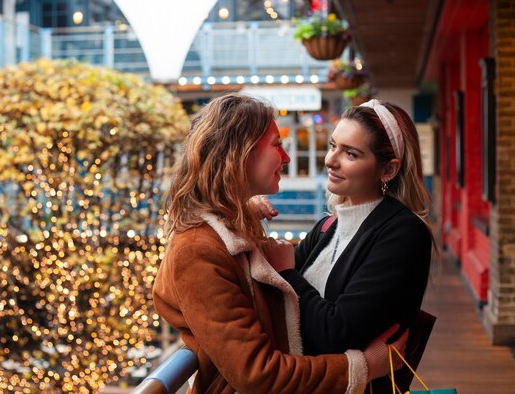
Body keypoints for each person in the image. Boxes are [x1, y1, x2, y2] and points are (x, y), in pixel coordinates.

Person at [152, 93, 407, 394]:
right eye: (277, 145)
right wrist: (362, 366)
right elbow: (258, 374)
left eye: (350, 153)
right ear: (240, 154)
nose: (286, 158)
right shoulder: (197, 251)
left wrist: (242, 208)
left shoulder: (228, 230)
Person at [264, 99, 435, 393]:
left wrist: (289, 273)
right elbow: (274, 295)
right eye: (333, 146)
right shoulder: (328, 226)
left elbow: (336, 333)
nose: (331, 159)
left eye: (351, 153)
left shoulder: (403, 234)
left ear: (388, 170)